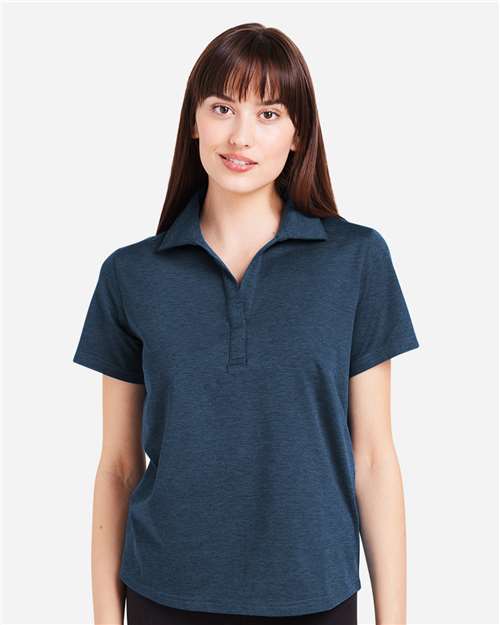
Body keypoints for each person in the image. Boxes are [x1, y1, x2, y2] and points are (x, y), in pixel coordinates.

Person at [73, 22, 420, 625]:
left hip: (314, 596)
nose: (240, 136)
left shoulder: (356, 260)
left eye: (268, 114)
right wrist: (106, 618)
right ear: (194, 121)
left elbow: (373, 459)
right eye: (222, 108)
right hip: (165, 593)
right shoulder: (131, 274)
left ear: (298, 133)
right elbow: (119, 466)